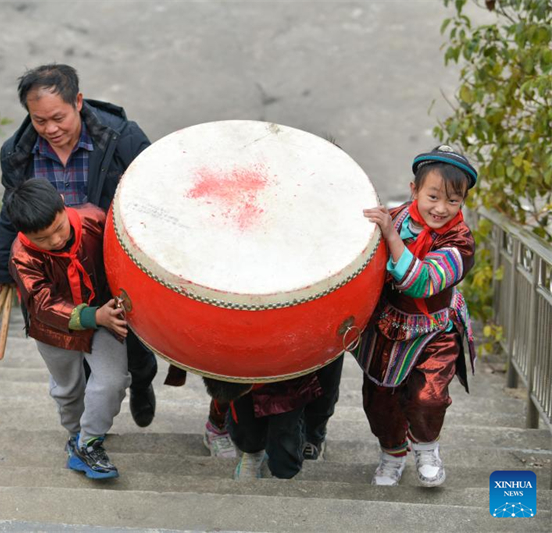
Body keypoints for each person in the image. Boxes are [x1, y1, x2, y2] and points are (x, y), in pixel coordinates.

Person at [0, 63, 157, 427]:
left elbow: (152, 197)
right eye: (38, 121)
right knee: (76, 340)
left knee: (134, 344)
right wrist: (2, 266)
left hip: (110, 261)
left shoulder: (122, 138)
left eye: (58, 118)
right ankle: (86, 430)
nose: (50, 129)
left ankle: (142, 382)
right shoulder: (17, 152)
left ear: (78, 102)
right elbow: (13, 208)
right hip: (55, 266)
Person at [357, 145, 477, 487]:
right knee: (379, 400)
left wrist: (391, 237)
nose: (441, 208)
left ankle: (426, 448)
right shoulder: (394, 218)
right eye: (433, 196)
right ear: (414, 190)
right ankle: (392, 453)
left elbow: (423, 282)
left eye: (453, 201)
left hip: (434, 329)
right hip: (387, 325)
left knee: (429, 395)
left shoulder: (460, 241)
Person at [7, 178, 131, 479]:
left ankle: (89, 441)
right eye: (43, 239)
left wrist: (106, 313)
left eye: (59, 228)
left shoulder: (96, 221)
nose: (55, 241)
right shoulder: (21, 256)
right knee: (68, 389)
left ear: (63, 204)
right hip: (54, 329)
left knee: (113, 380)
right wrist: (92, 317)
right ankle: (76, 434)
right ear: (24, 234)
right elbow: (42, 304)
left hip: (105, 314)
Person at [201, 354, 344, 479]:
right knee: (246, 415)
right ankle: (253, 452)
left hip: (291, 358)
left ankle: (286, 470)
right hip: (244, 354)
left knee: (287, 422)